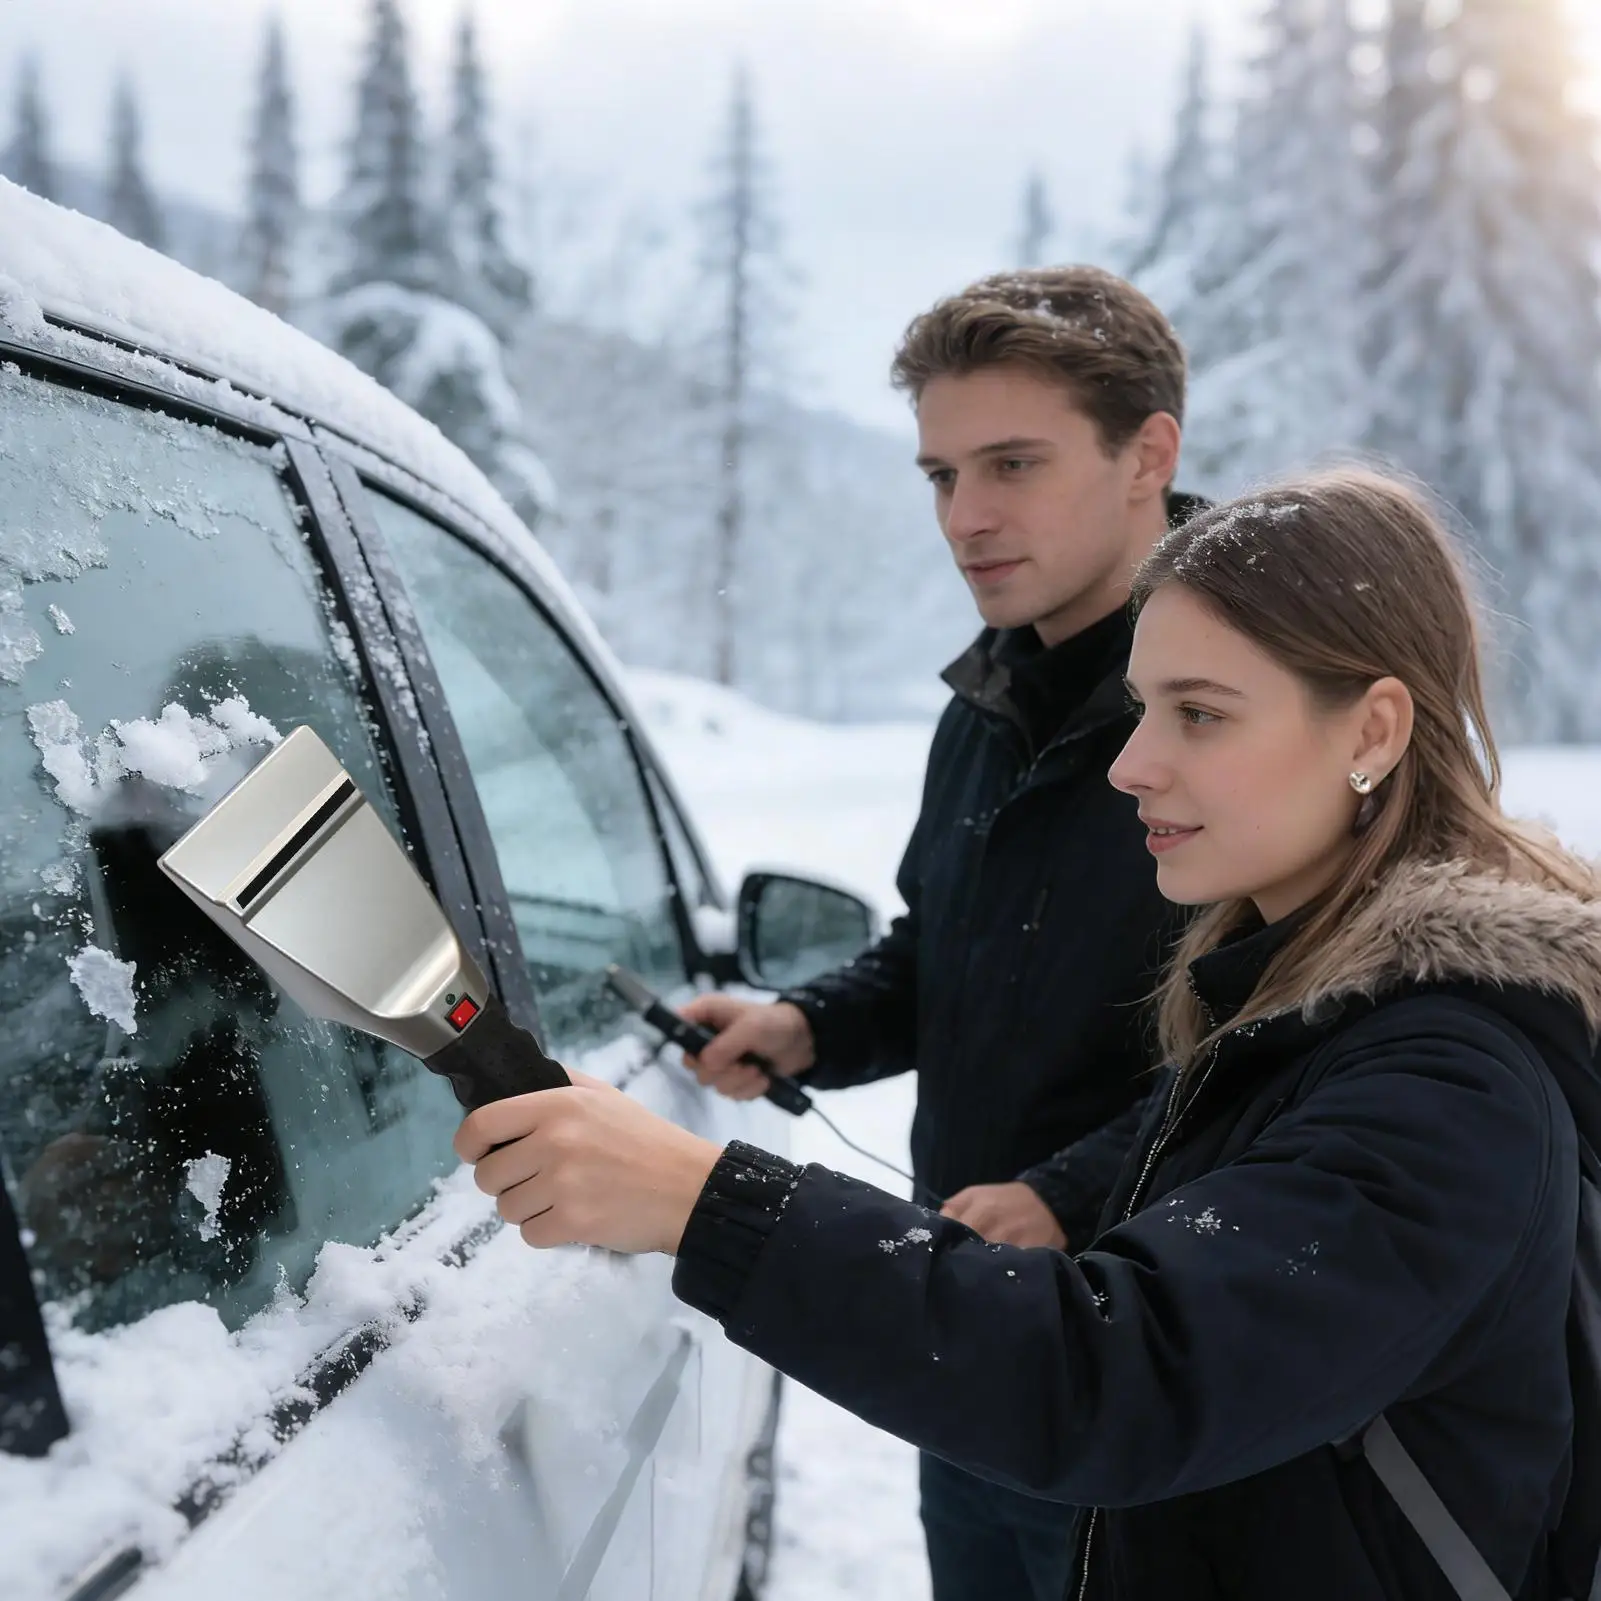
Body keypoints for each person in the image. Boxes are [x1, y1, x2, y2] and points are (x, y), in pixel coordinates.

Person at [458, 467, 1600, 1600]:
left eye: (1197, 712)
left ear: (1373, 727)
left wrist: (706, 1199)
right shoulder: (1302, 1001)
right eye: (1142, 705)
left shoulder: (1447, 1086)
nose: (1128, 763)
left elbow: (1123, 1371)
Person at [673, 264, 1199, 1599]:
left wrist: (1072, 1195)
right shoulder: (986, 704)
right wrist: (806, 1022)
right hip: (964, 1328)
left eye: (1011, 463)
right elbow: (945, 947)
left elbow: (1308, 1032)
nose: (966, 517)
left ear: (1150, 454)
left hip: (1151, 1374)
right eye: (938, 475)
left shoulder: (1236, 706)